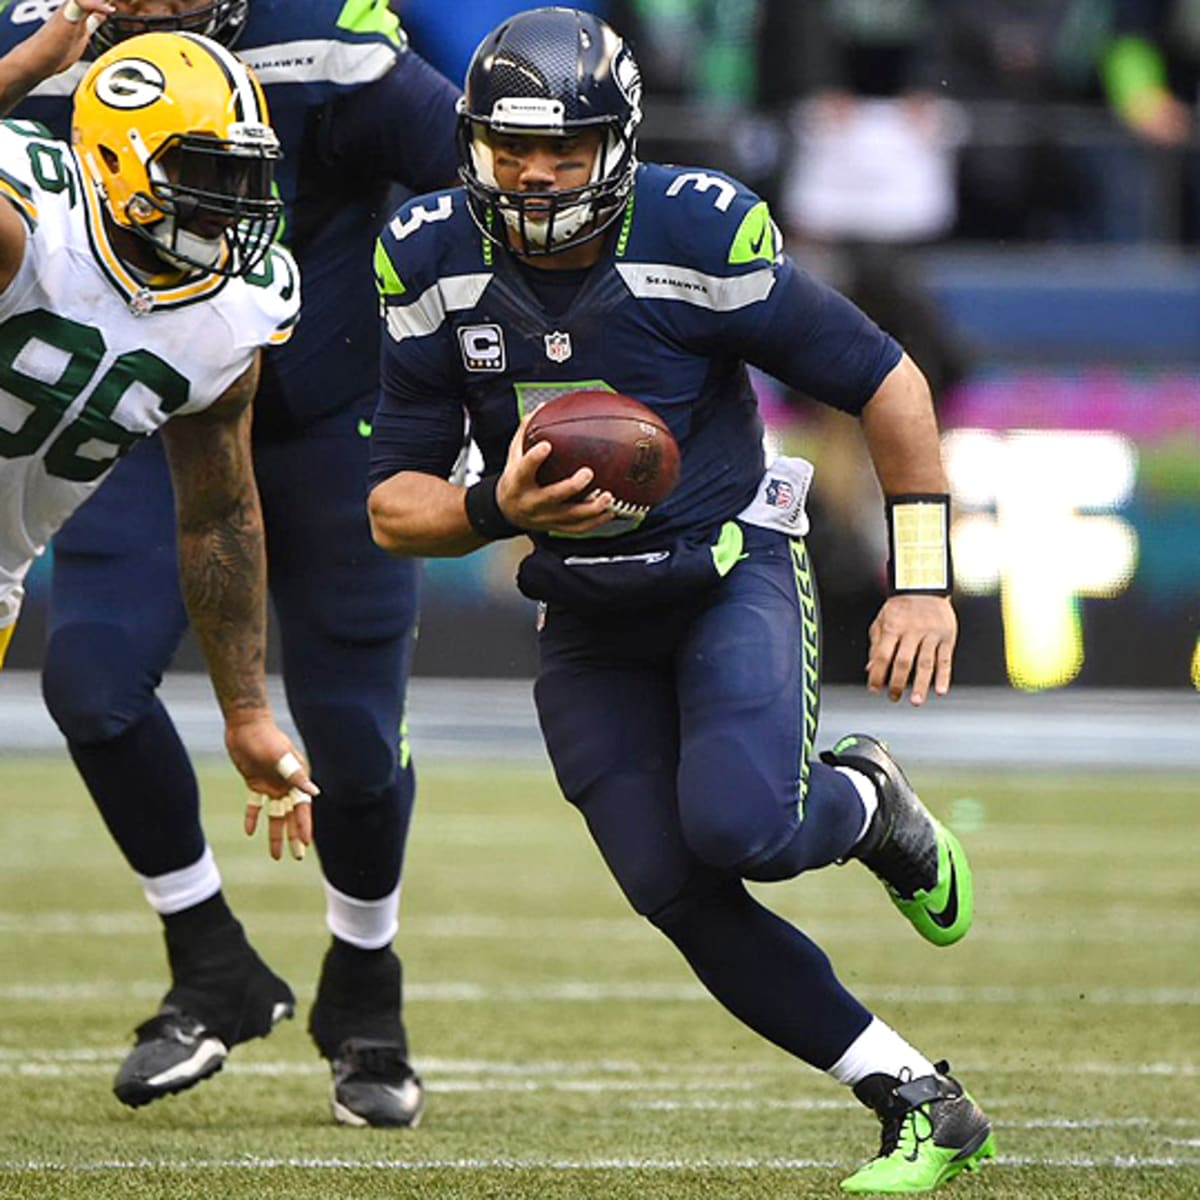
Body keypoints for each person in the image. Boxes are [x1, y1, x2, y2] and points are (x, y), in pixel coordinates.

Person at [367, 8, 995, 1193]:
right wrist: (500, 508)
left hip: (726, 573)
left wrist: (922, 580)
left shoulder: (695, 230)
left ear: (623, 145)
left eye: (566, 149)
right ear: (471, 144)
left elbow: (890, 384)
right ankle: (919, 1099)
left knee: (743, 826)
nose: (537, 174)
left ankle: (866, 803)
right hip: (587, 618)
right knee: (672, 885)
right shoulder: (429, 252)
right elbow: (394, 504)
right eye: (510, 148)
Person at [0, 0, 459, 1127]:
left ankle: (367, 989)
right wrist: (29, 64)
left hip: (290, 403)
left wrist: (461, 352)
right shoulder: (45, 53)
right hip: (123, 418)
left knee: (350, 737)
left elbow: (486, 185)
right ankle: (209, 955)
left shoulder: (328, 55)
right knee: (94, 683)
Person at [0, 16, 319, 873]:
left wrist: (246, 709)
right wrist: (25, 67)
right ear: (114, 156)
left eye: (240, 174)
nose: (228, 201)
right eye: (203, 169)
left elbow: (218, 515)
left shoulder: (225, 320)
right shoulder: (26, 229)